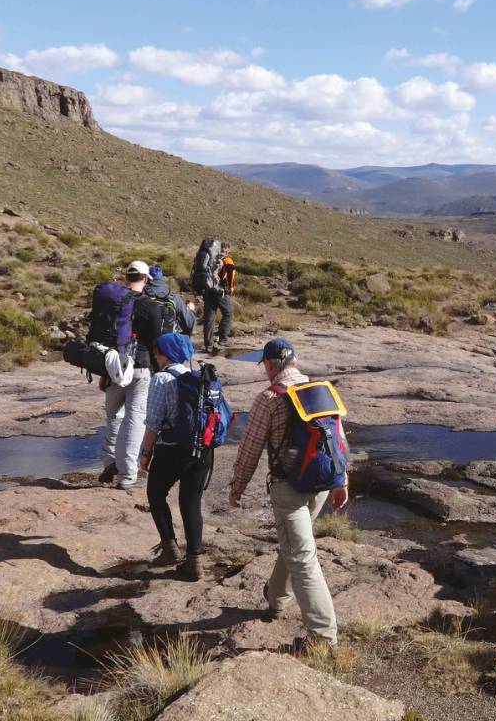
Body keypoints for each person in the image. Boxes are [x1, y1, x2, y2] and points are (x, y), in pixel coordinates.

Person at [228, 337, 348, 647]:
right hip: (321, 485)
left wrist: (237, 488)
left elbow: (250, 449)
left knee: (303, 558)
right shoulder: (320, 391)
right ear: (293, 361)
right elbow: (337, 440)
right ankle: (277, 600)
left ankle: (323, 638)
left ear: (269, 365)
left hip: (289, 489)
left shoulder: (269, 398)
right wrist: (341, 480)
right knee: (293, 543)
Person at [137, 332, 211, 580]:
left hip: (173, 448)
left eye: (157, 352)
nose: (155, 357)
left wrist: (145, 454)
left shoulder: (161, 379)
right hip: (203, 448)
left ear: (166, 354)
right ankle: (194, 561)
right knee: (191, 503)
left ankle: (169, 548)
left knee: (155, 493)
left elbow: (153, 424)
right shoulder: (200, 377)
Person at [98, 260, 161, 489]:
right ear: (145, 279)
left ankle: (109, 460)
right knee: (135, 419)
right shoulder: (151, 306)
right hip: (140, 368)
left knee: (114, 415)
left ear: (127, 278)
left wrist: (104, 373)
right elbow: (156, 342)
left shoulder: (114, 302)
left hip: (114, 366)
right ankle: (127, 475)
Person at [203, 242, 236, 354]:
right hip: (220, 292)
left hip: (207, 291)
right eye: (226, 251)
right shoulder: (227, 260)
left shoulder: (209, 258)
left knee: (209, 319)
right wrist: (231, 287)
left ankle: (208, 345)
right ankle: (223, 339)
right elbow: (232, 273)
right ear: (226, 251)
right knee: (228, 313)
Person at [146, 265, 196, 336]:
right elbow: (190, 325)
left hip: (145, 342)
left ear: (147, 278)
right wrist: (191, 310)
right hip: (168, 342)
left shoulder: (142, 295)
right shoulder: (174, 297)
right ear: (162, 278)